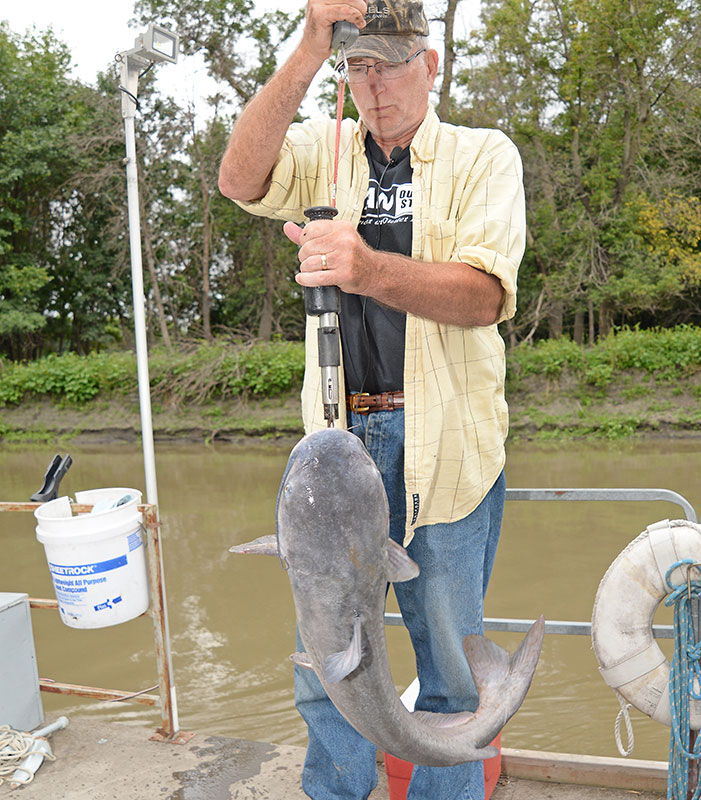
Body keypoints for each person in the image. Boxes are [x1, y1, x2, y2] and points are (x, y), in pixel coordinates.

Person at [218, 1, 525, 797]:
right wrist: (308, 48)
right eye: (359, 67)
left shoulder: (484, 156)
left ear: (431, 65)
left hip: (449, 453)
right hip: (335, 457)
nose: (374, 85)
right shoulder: (324, 148)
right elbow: (239, 178)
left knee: (451, 672)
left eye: (390, 65)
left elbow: (485, 297)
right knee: (327, 671)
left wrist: (363, 268)